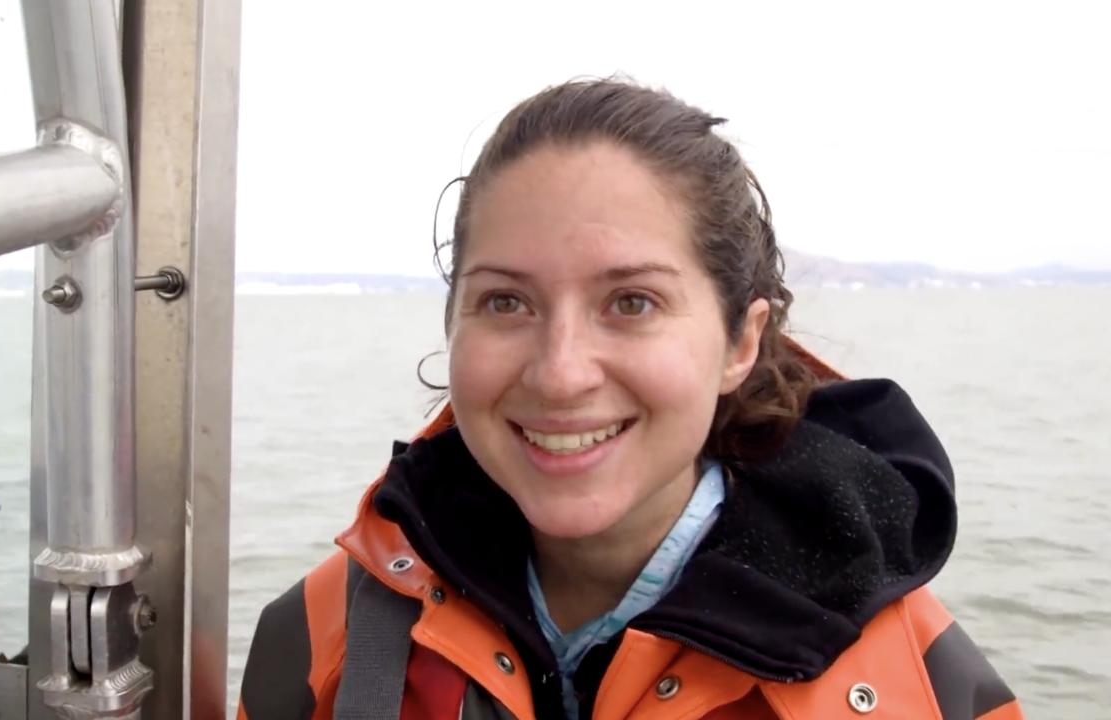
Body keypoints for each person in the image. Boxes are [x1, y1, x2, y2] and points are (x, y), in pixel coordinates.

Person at [237, 78, 1025, 720]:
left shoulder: (914, 684)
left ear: (741, 343)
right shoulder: (319, 642)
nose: (561, 373)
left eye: (633, 303)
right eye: (508, 303)